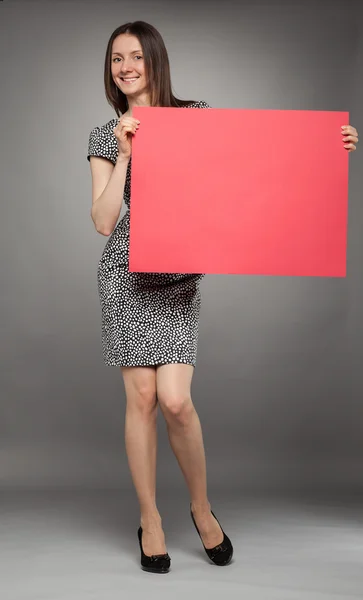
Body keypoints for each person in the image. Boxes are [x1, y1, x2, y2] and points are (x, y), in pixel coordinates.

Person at [87, 21, 359, 574]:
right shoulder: (103, 133)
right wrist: (127, 150)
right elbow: (102, 220)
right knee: (141, 401)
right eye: (117, 59)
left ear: (154, 60)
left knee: (177, 402)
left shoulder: (196, 117)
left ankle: (201, 508)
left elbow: (258, 169)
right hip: (126, 278)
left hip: (177, 280)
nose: (125, 67)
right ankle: (151, 519)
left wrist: (328, 149)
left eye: (135, 56)